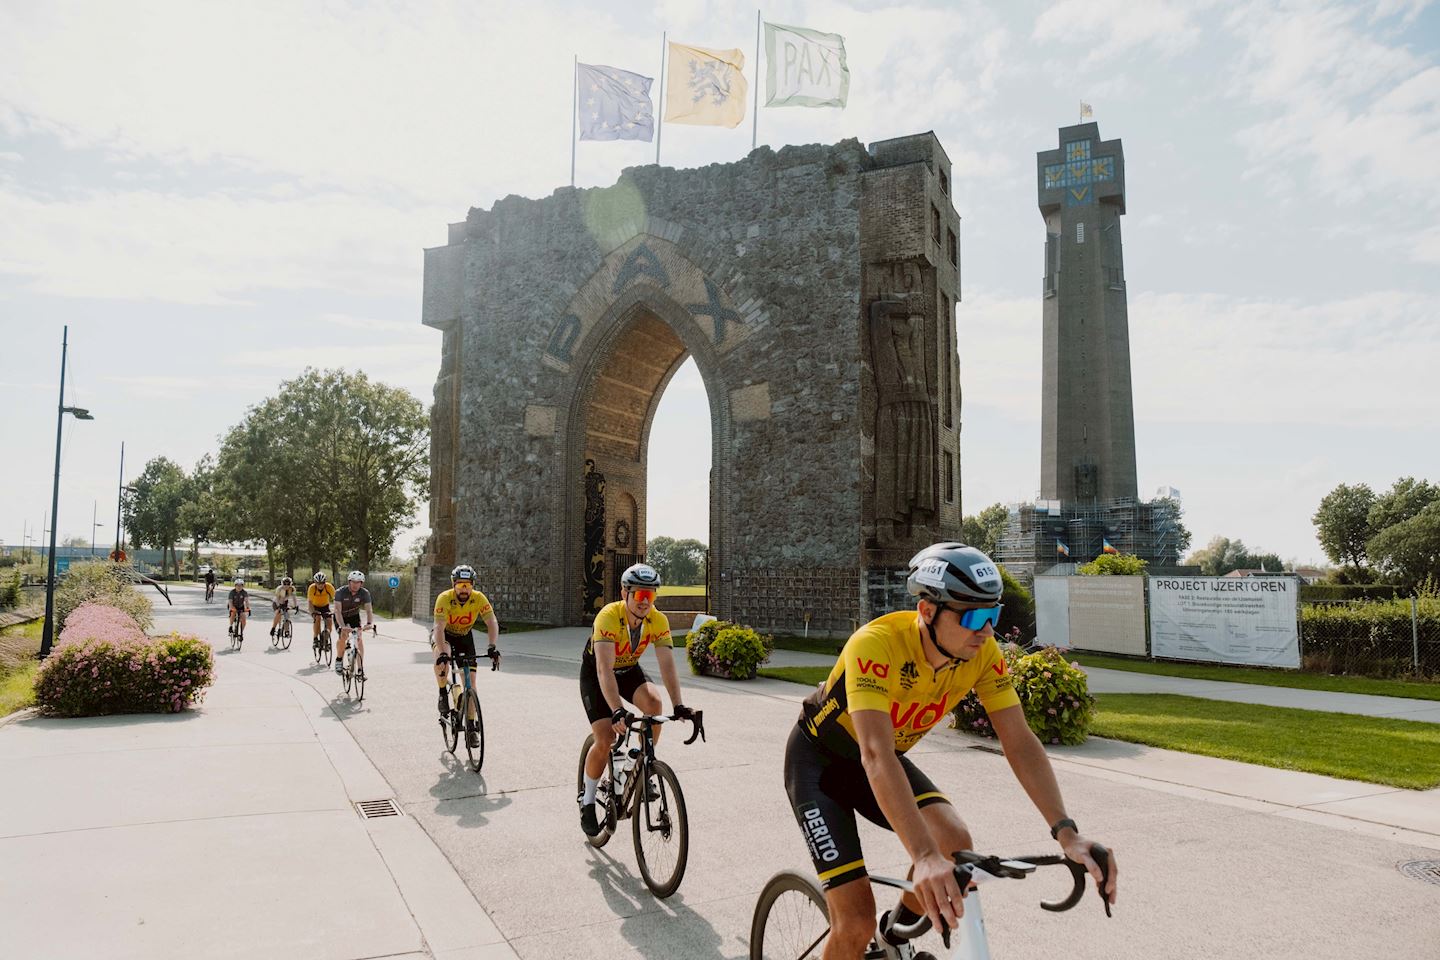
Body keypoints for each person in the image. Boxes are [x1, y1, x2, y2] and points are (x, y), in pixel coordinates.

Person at [784, 543, 1118, 959]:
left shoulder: (981, 654)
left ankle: (894, 936)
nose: (987, 630)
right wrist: (922, 856)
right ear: (927, 611)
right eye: (974, 616)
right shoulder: (874, 645)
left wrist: (1067, 832)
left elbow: (1018, 740)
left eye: (993, 615)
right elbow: (875, 753)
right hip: (821, 766)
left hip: (880, 761)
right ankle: (868, 932)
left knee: (954, 840)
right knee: (853, 922)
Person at [577, 563, 693, 838]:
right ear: (624, 593)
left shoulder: (658, 620)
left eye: (650, 597)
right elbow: (604, 669)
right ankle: (588, 800)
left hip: (628, 670)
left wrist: (679, 704)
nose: (645, 603)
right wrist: (617, 710)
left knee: (655, 704)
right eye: (639, 596)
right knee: (605, 738)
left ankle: (639, 765)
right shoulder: (608, 617)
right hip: (598, 674)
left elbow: (667, 665)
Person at [431, 564, 500, 745]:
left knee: (471, 682)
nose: (464, 589)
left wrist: (492, 646)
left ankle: (471, 727)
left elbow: (491, 622)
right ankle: (442, 694)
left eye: (468, 585)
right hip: (444, 635)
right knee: (443, 660)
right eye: (460, 585)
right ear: (453, 584)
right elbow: (438, 627)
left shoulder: (478, 598)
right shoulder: (444, 598)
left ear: (473, 585)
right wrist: (443, 653)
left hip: (464, 637)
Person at [333, 571, 374, 676]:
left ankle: (360, 669)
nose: (355, 585)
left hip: (354, 617)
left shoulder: (364, 593)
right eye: (353, 582)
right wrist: (342, 626)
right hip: (340, 616)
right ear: (349, 582)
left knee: (359, 639)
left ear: (362, 583)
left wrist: (369, 623)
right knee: (343, 635)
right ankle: (339, 659)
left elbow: (369, 610)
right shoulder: (340, 592)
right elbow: (337, 610)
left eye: (358, 582)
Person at [307, 572, 336, 645]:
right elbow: (310, 602)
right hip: (315, 606)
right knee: (317, 618)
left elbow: (336, 599)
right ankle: (315, 637)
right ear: (315, 583)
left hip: (325, 606)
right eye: (318, 583)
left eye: (322, 583)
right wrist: (312, 612)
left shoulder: (328, 587)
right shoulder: (312, 588)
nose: (320, 585)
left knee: (329, 621)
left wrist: (336, 610)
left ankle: (325, 639)